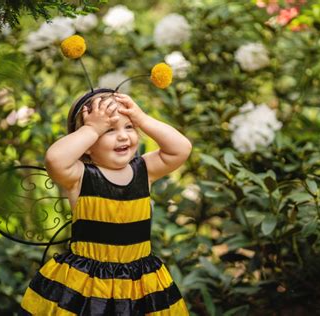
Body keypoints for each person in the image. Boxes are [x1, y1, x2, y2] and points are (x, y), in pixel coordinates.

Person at [19, 89, 192, 315]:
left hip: (139, 281)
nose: (123, 136)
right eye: (109, 129)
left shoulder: (144, 170)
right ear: (87, 144)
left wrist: (142, 118)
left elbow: (181, 148)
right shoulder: (80, 176)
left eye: (129, 127)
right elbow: (54, 159)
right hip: (87, 282)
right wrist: (92, 128)